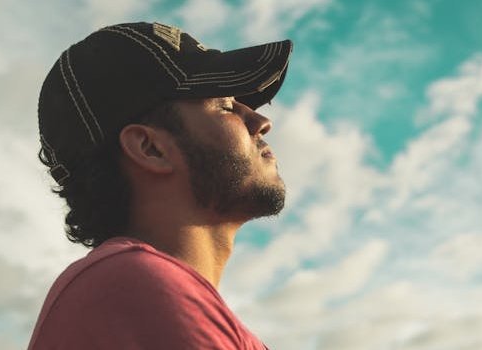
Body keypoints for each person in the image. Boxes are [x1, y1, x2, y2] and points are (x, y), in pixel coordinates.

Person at [28, 22, 292, 349]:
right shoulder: (131, 285)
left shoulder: (144, 292)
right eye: (225, 106)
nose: (260, 122)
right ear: (150, 149)